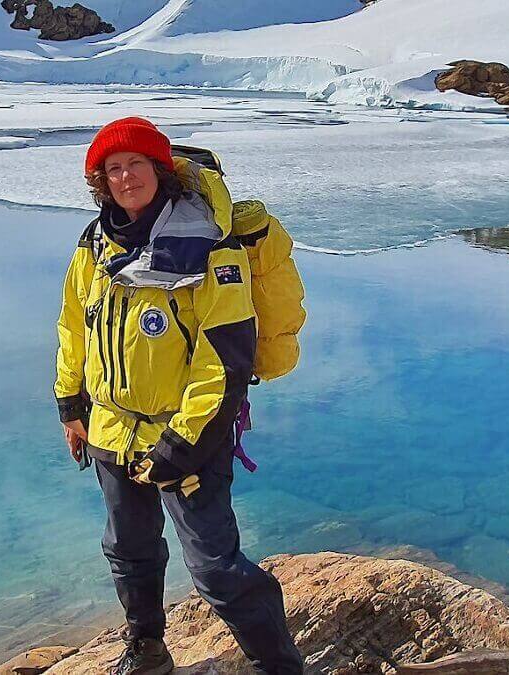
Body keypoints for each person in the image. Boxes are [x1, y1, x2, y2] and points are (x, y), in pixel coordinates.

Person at [54, 117, 304, 675]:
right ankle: (147, 650)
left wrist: (181, 444)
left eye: (136, 164)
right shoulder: (95, 245)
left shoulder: (208, 248)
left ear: (160, 171)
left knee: (215, 568)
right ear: (101, 182)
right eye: (113, 169)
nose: (125, 177)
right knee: (129, 550)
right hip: (112, 430)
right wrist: (71, 406)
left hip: (189, 436)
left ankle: (279, 666)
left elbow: (225, 360)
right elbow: (74, 327)